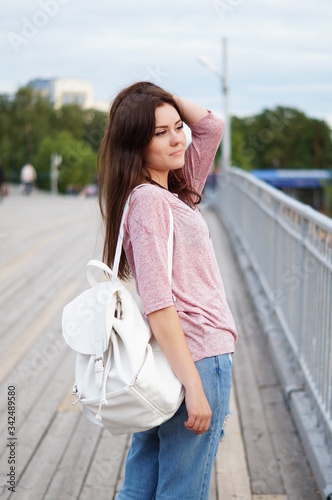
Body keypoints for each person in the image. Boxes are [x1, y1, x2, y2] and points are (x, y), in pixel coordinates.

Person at [98, 81, 237, 499]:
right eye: (160, 133)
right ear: (135, 143)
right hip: (195, 359)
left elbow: (211, 127)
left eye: (177, 126)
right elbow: (159, 304)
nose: (178, 137)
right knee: (182, 490)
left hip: (164, 361)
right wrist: (194, 386)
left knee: (139, 487)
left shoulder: (172, 189)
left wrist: (158, 99)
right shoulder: (153, 202)